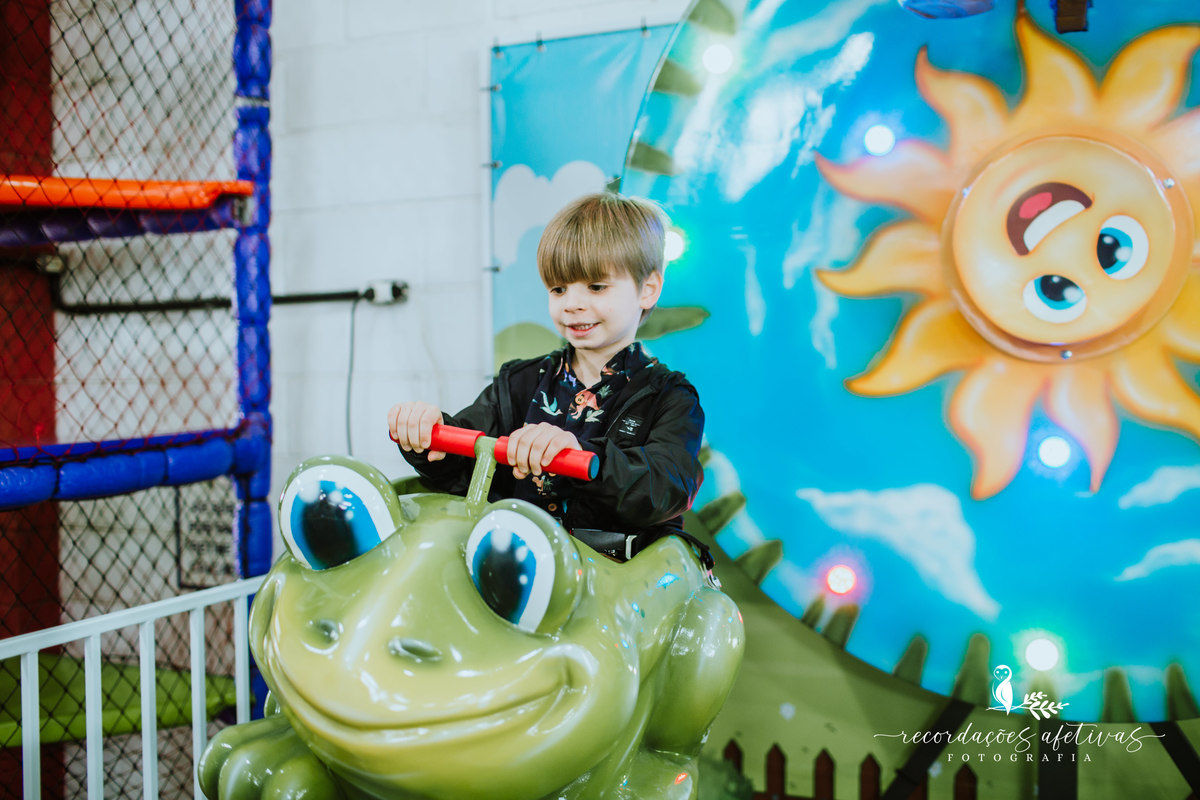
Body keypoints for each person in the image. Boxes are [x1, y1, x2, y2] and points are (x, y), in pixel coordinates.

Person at [387, 192, 707, 564]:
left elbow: (665, 487)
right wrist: (427, 434)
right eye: (558, 289)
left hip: (616, 582)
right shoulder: (518, 382)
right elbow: (463, 466)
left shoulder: (670, 396)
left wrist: (581, 455)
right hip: (517, 566)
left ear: (647, 289)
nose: (571, 303)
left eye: (595, 287)